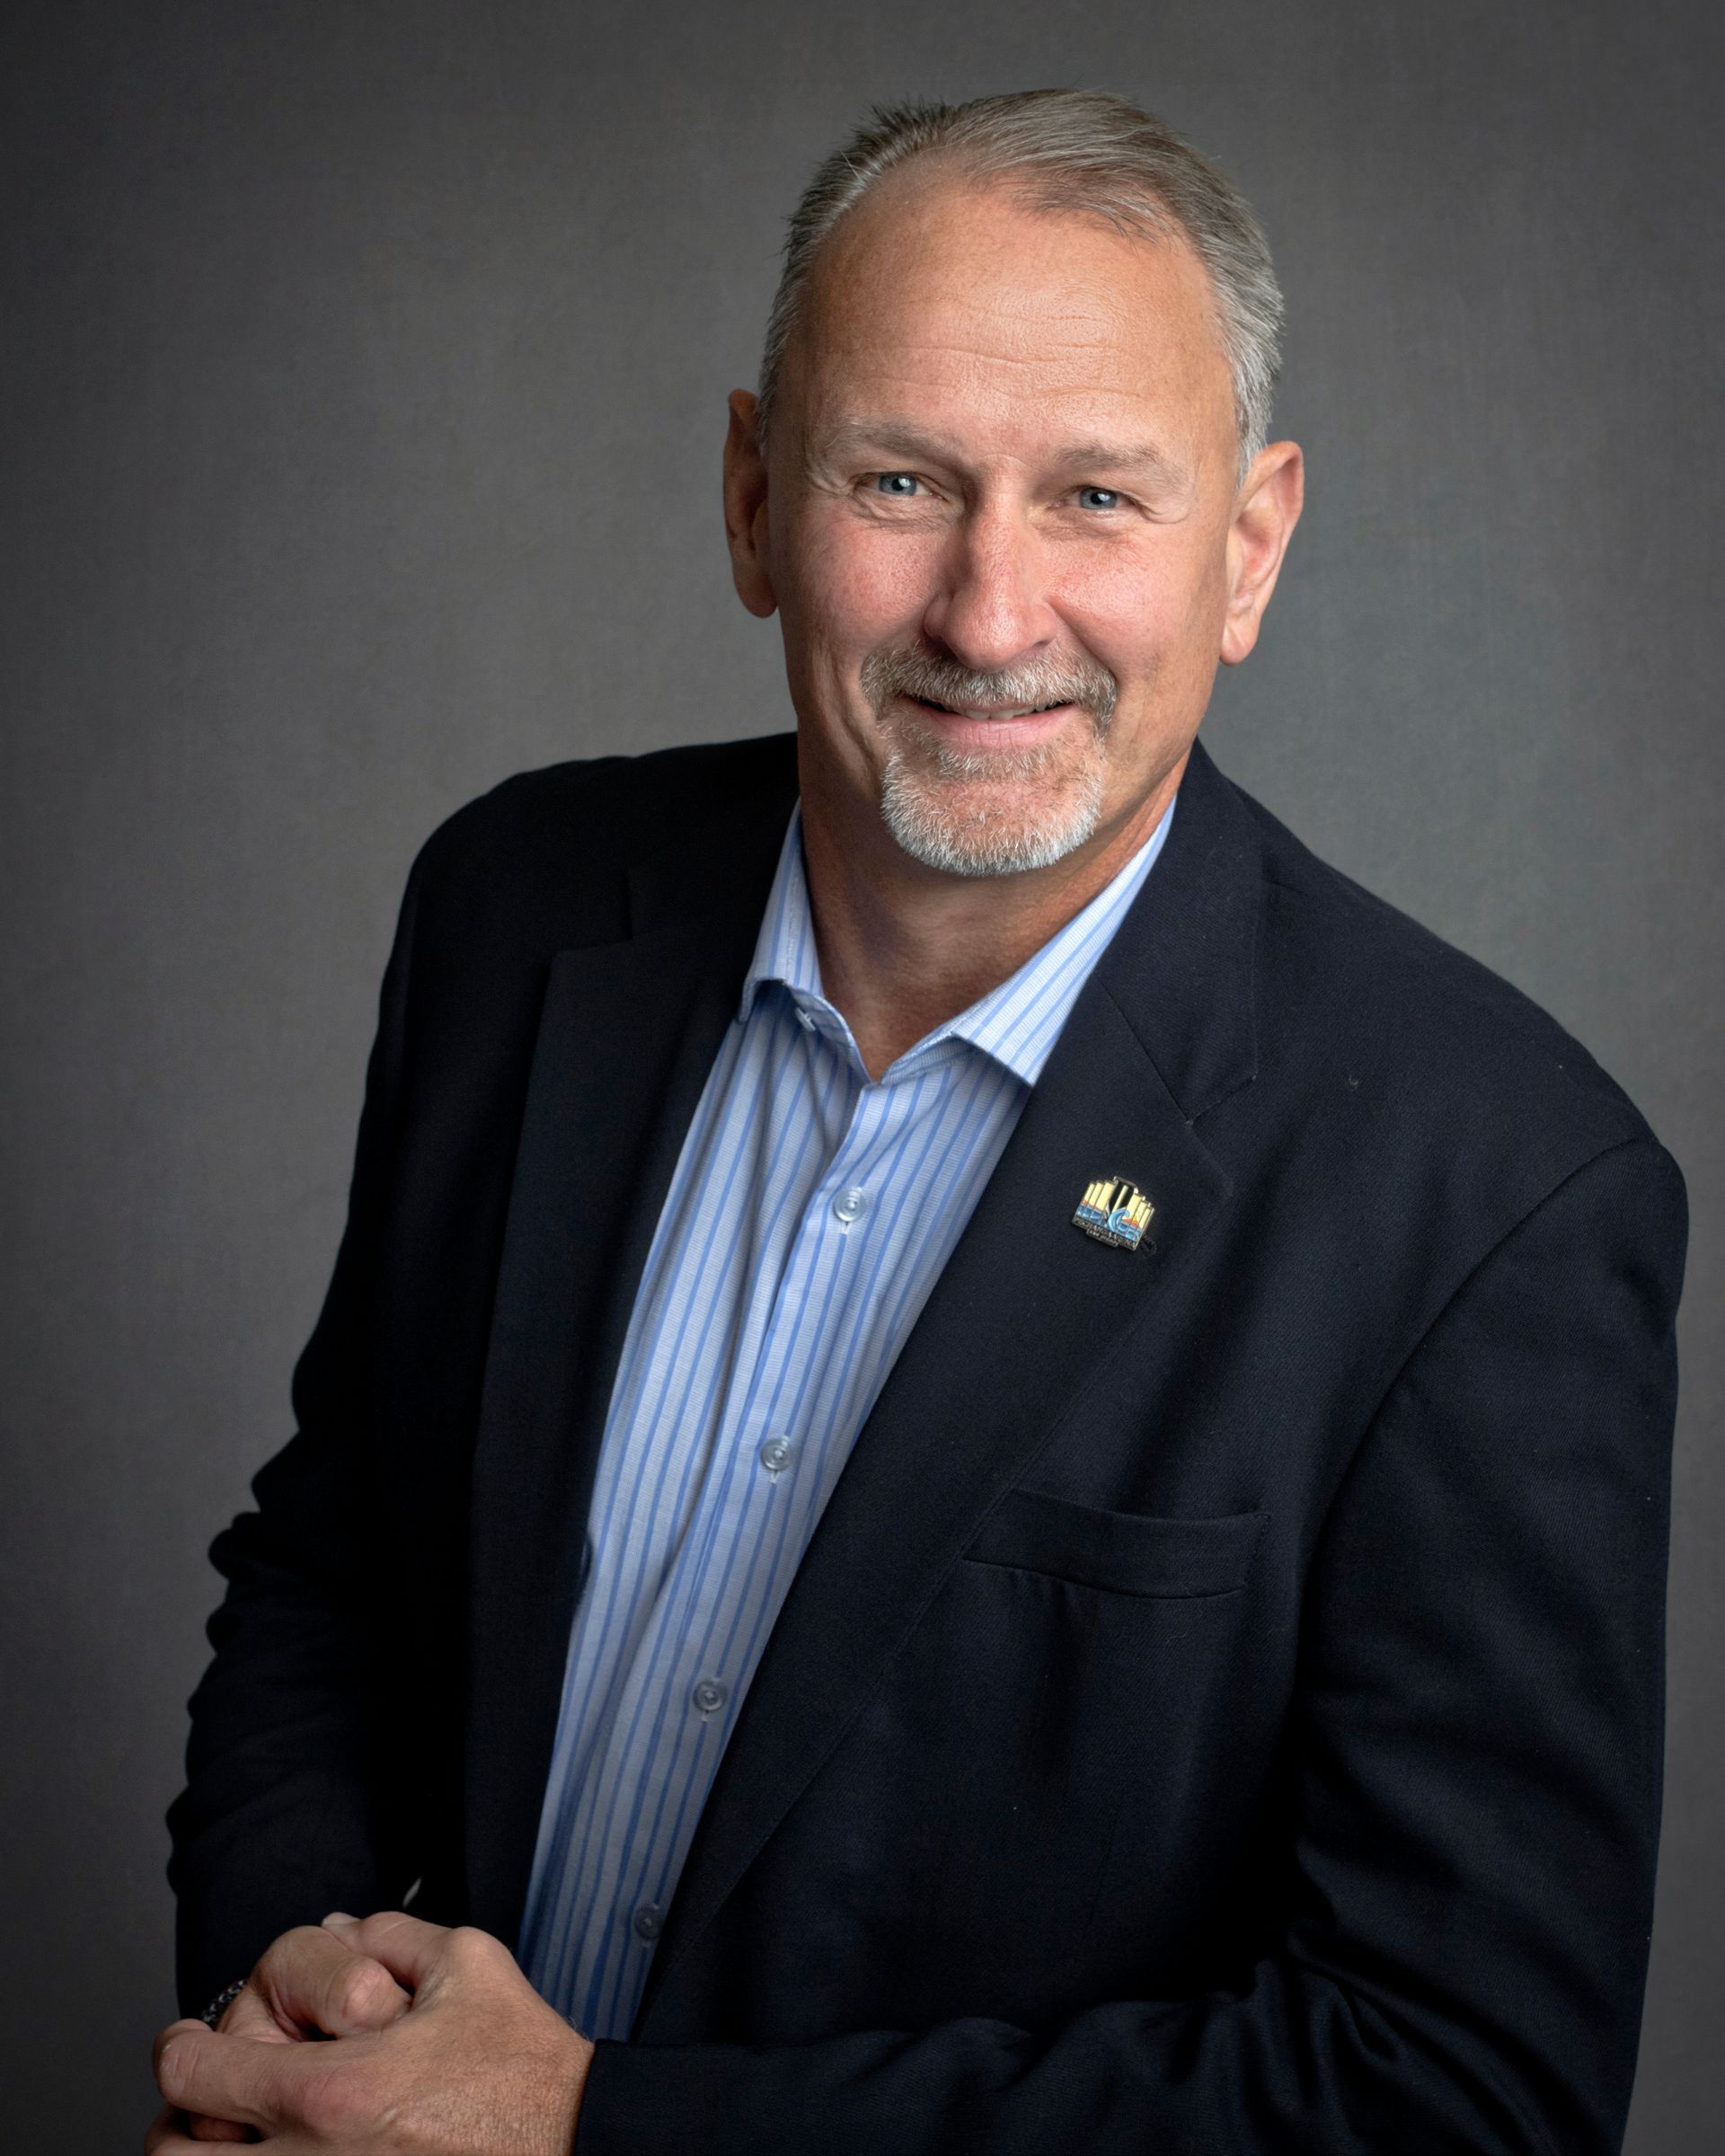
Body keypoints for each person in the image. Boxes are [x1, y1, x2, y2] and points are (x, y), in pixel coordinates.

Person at [147, 88, 1685, 2155]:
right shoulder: (516, 911)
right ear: (751, 498)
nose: (988, 614)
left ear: (1249, 550)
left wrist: (590, 2130)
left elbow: (1455, 2093)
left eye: (1097, 499)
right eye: (900, 480)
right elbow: (339, 1569)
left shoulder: (1496, 1194)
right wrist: (300, 2000)